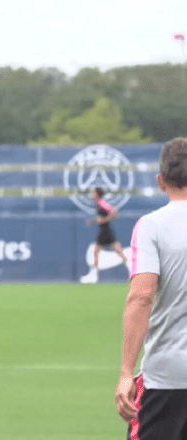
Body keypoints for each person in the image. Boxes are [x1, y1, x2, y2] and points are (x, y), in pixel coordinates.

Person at [115, 137, 187, 439]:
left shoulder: (151, 226)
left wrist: (125, 373)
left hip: (168, 377)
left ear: (160, 181)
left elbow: (142, 296)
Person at [85, 186, 128, 281]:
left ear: (97, 194)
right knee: (118, 251)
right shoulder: (99, 204)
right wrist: (92, 221)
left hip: (105, 230)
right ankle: (133, 269)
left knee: (96, 251)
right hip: (106, 230)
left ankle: (93, 275)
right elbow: (101, 218)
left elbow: (114, 213)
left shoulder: (102, 203)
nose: (92, 194)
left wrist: (103, 220)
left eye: (93, 193)